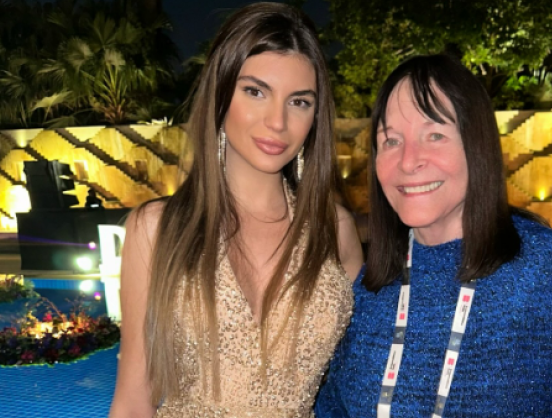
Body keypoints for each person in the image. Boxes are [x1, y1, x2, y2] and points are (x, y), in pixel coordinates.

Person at [314, 55, 552, 417]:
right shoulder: (369, 293)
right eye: (391, 141)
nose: (408, 160)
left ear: (476, 145)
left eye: (435, 135)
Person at [109, 3, 363, 417]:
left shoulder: (335, 230)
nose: (277, 121)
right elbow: (133, 401)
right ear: (221, 94)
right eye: (255, 91)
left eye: (299, 102)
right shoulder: (156, 229)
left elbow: (361, 379)